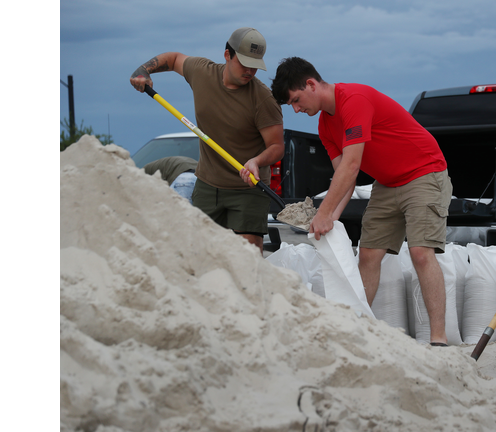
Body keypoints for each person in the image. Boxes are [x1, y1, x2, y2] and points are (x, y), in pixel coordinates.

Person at [271, 57, 452, 346]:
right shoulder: (325, 126)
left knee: (420, 252)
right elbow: (345, 178)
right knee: (367, 255)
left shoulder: (353, 100)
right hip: (387, 182)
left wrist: (324, 212)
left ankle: (439, 340)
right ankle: (357, 332)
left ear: (311, 84)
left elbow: (352, 165)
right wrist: (332, 218)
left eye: (295, 100)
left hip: (424, 172)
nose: (296, 109)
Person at [130, 27, 284, 254]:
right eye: (244, 63)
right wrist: (144, 70)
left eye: (255, 65)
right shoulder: (202, 72)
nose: (250, 71)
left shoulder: (263, 99)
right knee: (201, 254)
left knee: (247, 258)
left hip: (248, 188)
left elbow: (276, 147)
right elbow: (173, 60)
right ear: (227, 55)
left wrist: (257, 161)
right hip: (208, 185)